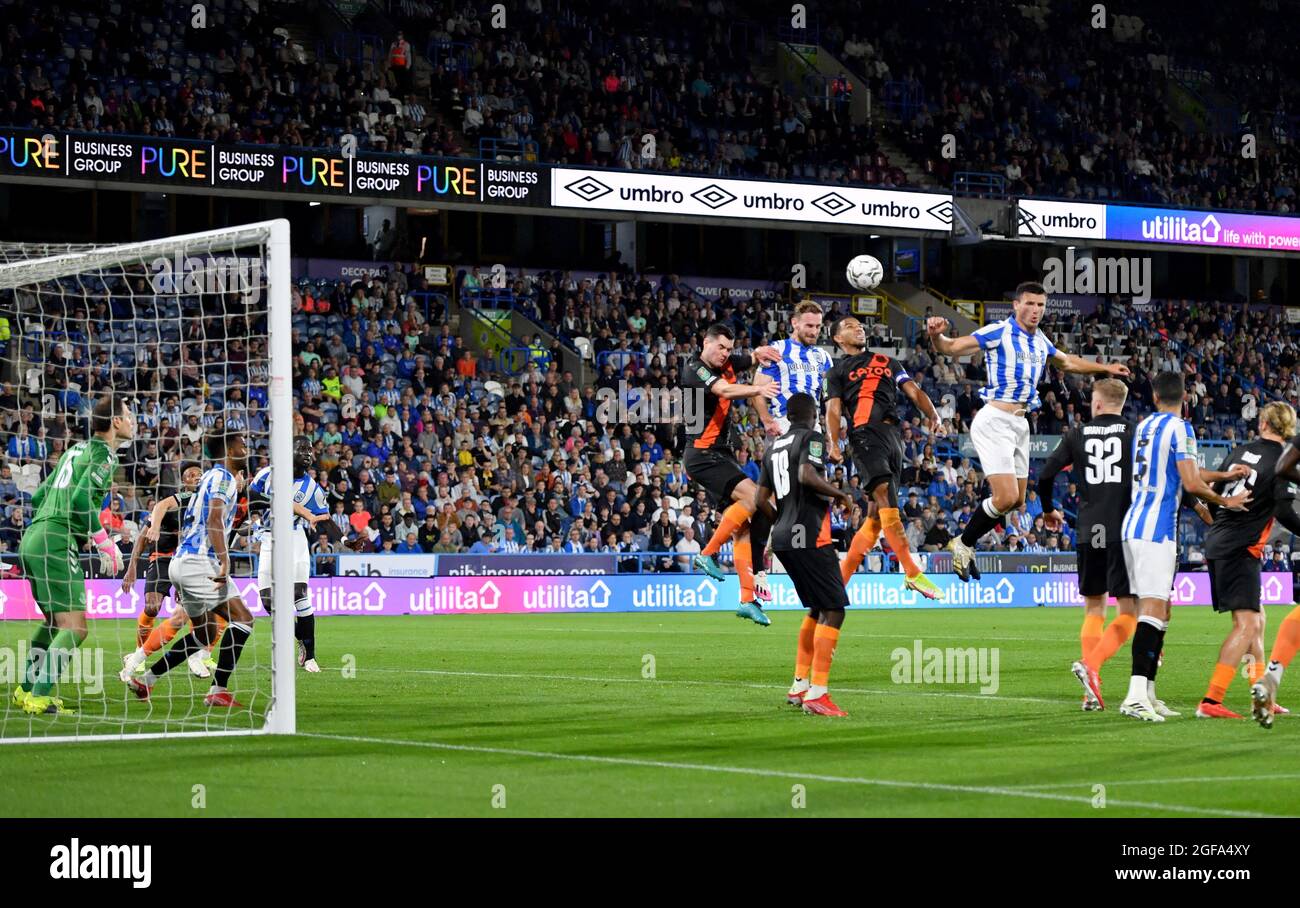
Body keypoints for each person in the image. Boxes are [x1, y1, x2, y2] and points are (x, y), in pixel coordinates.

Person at [926, 281, 1130, 582]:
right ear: (1016, 305)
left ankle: (966, 541)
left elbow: (1068, 362)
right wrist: (936, 334)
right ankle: (964, 542)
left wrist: (1105, 369)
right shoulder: (998, 332)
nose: (1036, 310)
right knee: (1006, 497)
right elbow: (951, 347)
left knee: (1018, 500)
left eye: (1041, 305)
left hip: (1021, 423)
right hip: (996, 417)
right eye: (1030, 304)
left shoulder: (1041, 340)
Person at [1114, 373, 1249, 722]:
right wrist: (1225, 501)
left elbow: (1181, 471)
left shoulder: (1143, 427)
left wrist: (1222, 476)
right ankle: (1134, 694)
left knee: (1162, 611)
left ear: (1156, 396)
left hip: (1134, 524)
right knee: (1153, 611)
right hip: (1157, 529)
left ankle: (1148, 693)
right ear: (1185, 397)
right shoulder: (1181, 428)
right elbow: (1189, 480)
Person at [13, 395, 134, 715]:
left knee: (54, 622)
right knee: (76, 627)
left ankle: (24, 689)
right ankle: (39, 696)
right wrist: (104, 542)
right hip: (54, 541)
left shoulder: (73, 450)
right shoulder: (104, 456)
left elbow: (39, 494)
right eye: (129, 415)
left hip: (35, 536)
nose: (133, 421)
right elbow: (81, 499)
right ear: (116, 422)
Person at [125, 432, 255, 708]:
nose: (247, 449)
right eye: (243, 445)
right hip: (201, 563)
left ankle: (146, 680)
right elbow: (214, 518)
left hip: (183, 562)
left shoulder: (209, 477)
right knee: (243, 620)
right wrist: (225, 559)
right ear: (229, 450)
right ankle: (217, 689)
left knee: (205, 633)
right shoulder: (222, 478)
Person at [1192, 403, 1300, 720]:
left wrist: (1223, 526)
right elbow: (1283, 510)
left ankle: (1260, 692)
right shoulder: (1283, 459)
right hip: (1240, 547)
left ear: (1264, 422)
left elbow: (1211, 491)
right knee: (1247, 624)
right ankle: (1211, 701)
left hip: (1223, 541)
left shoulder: (1240, 451)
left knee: (1258, 620)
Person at [826, 316, 942, 599]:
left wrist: (934, 414)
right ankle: (912, 572)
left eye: (860, 325)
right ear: (838, 339)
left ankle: (836, 586)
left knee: (876, 518)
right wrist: (834, 442)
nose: (859, 328)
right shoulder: (837, 371)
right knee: (886, 502)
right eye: (850, 326)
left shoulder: (887, 362)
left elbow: (913, 391)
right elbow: (833, 409)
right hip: (864, 436)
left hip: (893, 440)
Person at [753, 393, 853, 716]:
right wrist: (840, 493)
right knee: (834, 608)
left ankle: (799, 685)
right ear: (812, 415)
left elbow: (759, 500)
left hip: (783, 538)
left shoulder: (772, 448)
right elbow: (806, 476)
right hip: (810, 535)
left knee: (817, 607)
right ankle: (818, 693)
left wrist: (780, 521)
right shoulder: (812, 437)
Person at [681, 323, 781, 625]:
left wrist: (757, 354)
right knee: (760, 499)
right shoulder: (695, 369)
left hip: (719, 455)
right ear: (705, 343)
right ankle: (708, 553)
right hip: (703, 455)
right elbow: (723, 389)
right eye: (720, 347)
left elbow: (748, 359)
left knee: (744, 528)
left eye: (728, 348)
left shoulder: (727, 361)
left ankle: (747, 599)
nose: (725, 354)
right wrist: (758, 389)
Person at [248, 436, 331, 673]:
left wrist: (346, 540)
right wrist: (264, 512)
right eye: (302, 448)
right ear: (290, 450)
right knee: (267, 601)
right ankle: (300, 638)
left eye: (311, 449)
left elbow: (324, 518)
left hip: (295, 538)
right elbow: (251, 498)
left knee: (299, 595)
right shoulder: (268, 474)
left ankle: (310, 655)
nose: (308, 453)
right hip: (268, 538)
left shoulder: (312, 488)